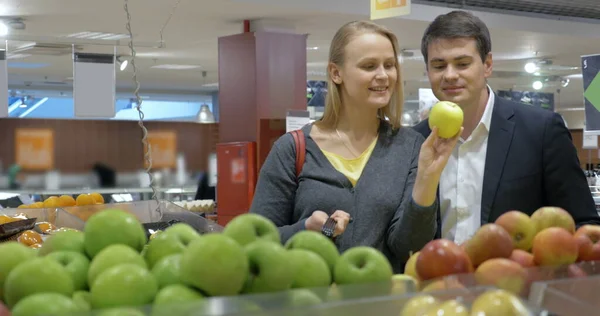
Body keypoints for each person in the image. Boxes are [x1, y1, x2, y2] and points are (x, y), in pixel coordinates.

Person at [249, 20, 460, 272]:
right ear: (336, 73)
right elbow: (255, 242)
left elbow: (410, 248)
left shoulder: (411, 146)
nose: (383, 75)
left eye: (389, 65)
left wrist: (427, 178)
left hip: (383, 304)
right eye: (369, 66)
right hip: (312, 303)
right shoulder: (292, 149)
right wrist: (306, 229)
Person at [413, 10, 600, 244]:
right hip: (435, 279)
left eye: (462, 63)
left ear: (487, 64)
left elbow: (585, 226)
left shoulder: (541, 132)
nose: (450, 75)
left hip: (519, 278)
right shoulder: (414, 141)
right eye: (439, 65)